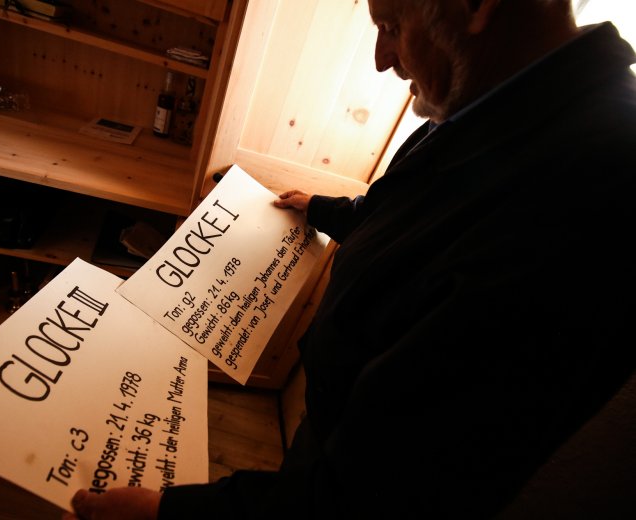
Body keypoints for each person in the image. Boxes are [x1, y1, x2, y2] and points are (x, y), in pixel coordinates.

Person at [63, 0, 636, 518]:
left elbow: (373, 501)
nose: (383, 59)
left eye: (390, 26)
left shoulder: (595, 190)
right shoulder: (491, 102)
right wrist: (327, 208)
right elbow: (412, 217)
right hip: (336, 429)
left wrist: (166, 514)